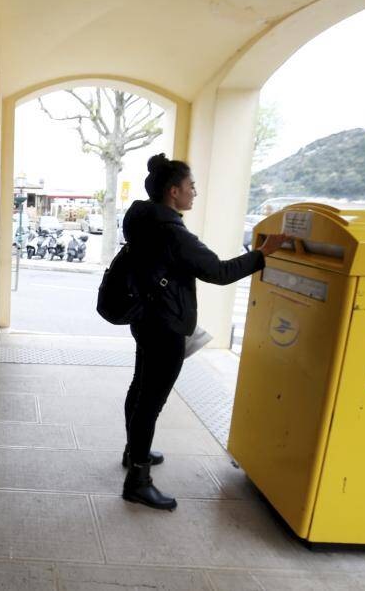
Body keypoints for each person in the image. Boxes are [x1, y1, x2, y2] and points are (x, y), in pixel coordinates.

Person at [120, 153, 291, 510]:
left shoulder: (142, 221)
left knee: (140, 388)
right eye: (190, 187)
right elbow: (218, 271)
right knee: (151, 400)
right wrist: (262, 254)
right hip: (165, 326)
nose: (194, 193)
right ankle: (138, 478)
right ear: (173, 192)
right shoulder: (173, 233)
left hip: (145, 317)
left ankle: (133, 450)